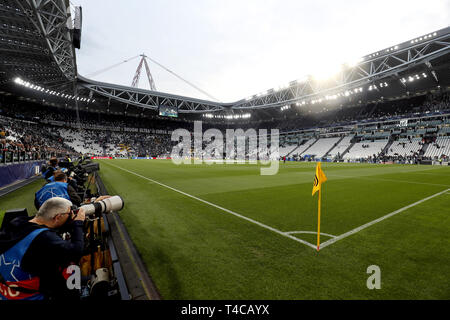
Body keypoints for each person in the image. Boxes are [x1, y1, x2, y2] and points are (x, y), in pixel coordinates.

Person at [0, 197, 86, 300]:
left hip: (6, 290)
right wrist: (78, 223)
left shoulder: (18, 222)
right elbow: (76, 251)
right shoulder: (44, 238)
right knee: (72, 269)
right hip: (31, 296)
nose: (71, 215)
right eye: (69, 213)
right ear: (57, 217)